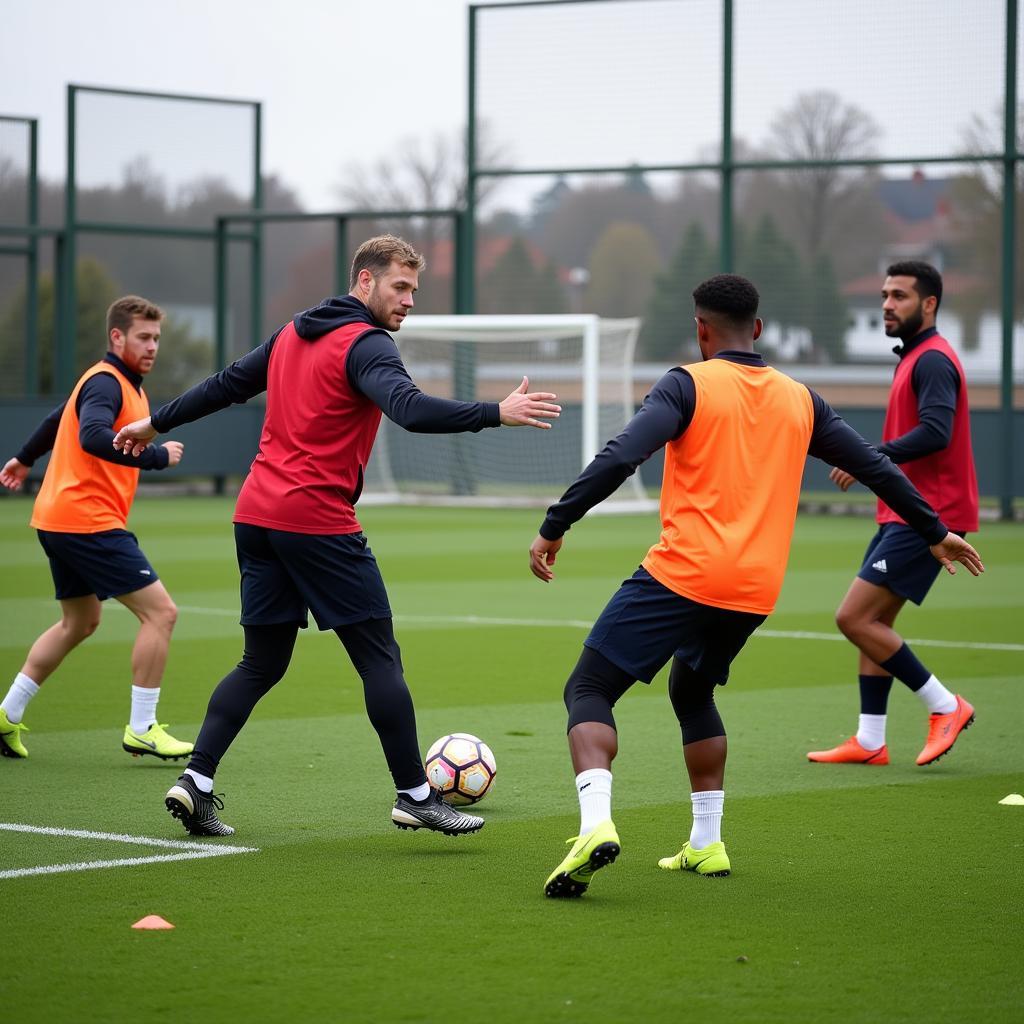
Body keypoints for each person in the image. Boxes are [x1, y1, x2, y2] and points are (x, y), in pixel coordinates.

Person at [528, 274, 983, 899]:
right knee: (692, 691)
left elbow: (620, 455)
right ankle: (706, 842)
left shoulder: (687, 382)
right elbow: (873, 465)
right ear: (760, 330)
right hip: (753, 591)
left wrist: (556, 523)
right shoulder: (801, 398)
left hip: (682, 572)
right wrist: (934, 530)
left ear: (701, 330)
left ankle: (594, 825)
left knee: (589, 687)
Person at [111, 234, 560, 839]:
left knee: (261, 661)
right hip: (316, 520)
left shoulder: (294, 331)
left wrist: (153, 419)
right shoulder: (367, 344)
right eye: (399, 287)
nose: (408, 301)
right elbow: (411, 410)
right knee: (379, 657)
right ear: (365, 281)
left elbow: (226, 384)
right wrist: (494, 412)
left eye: (414, 291)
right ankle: (416, 794)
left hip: (256, 516)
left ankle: (196, 780)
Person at [0, 295, 192, 762]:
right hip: (86, 520)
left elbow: (56, 418)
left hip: (58, 518)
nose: (152, 347)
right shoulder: (108, 382)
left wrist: (24, 459)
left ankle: (6, 714)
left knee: (80, 621)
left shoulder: (115, 382)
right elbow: (90, 434)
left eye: (156, 339)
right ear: (117, 337)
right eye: (143, 337)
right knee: (161, 613)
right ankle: (143, 727)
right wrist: (155, 457)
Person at [807, 261, 980, 768]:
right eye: (884, 294)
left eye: (900, 295)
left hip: (930, 515)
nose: (886, 303)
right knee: (874, 621)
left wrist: (872, 458)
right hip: (902, 512)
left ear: (929, 304)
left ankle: (946, 706)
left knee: (853, 617)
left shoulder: (932, 361)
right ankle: (869, 739)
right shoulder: (914, 357)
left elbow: (936, 432)